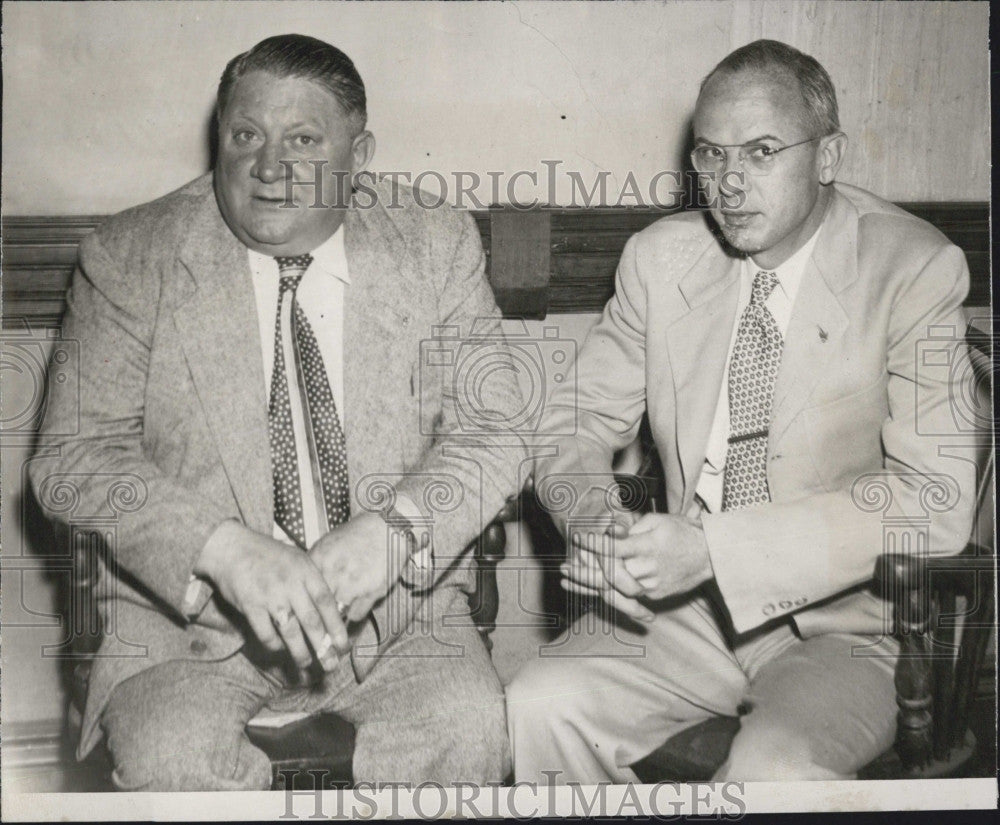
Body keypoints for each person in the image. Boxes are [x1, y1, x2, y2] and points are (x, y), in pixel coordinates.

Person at [31, 34, 525, 790]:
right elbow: (72, 458)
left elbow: (497, 429)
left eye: (302, 139)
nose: (267, 167)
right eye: (245, 136)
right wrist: (222, 549)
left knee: (468, 726)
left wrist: (396, 532)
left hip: (399, 622)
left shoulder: (434, 242)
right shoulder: (133, 254)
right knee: (171, 757)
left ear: (359, 157)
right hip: (185, 627)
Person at [507, 39, 976, 782]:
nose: (728, 183)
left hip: (849, 631)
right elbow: (574, 426)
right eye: (709, 155)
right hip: (688, 613)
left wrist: (717, 549)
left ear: (827, 157)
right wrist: (598, 525)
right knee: (537, 701)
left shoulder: (913, 268)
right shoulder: (660, 261)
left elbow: (936, 502)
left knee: (772, 767)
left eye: (760, 151)